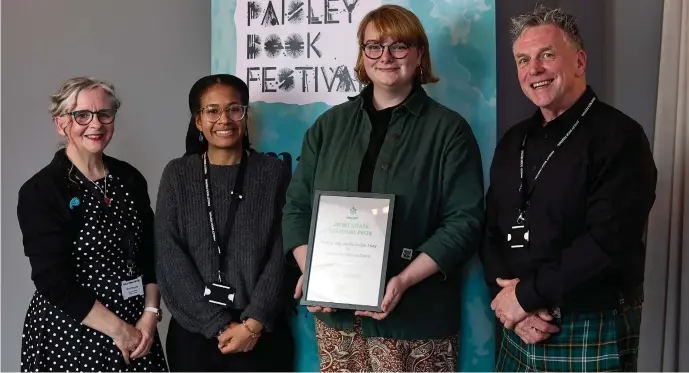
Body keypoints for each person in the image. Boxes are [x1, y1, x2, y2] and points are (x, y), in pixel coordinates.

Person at [282, 4, 485, 372]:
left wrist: (404, 280)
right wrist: (314, 273)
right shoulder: (328, 127)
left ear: (419, 53)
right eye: (374, 46)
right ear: (363, 55)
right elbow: (297, 207)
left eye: (399, 46)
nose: (386, 56)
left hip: (416, 322)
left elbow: (464, 222)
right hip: (338, 325)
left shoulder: (449, 131)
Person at [480, 5, 657, 372]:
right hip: (519, 324)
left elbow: (607, 241)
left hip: (589, 321)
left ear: (579, 61)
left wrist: (526, 296)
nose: (534, 70)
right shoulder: (514, 141)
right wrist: (507, 299)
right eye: (523, 60)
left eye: (547, 55)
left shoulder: (620, 137)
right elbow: (492, 229)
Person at [16, 77, 168, 372]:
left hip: (139, 328)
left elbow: (151, 253)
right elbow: (52, 281)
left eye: (104, 114)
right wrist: (120, 331)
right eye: (82, 115)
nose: (95, 124)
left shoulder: (129, 178)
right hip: (74, 330)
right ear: (61, 124)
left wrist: (150, 315)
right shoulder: (43, 190)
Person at [155, 74, 294, 372]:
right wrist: (216, 324)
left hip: (261, 332)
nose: (224, 119)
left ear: (245, 115)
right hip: (195, 334)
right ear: (198, 121)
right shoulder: (178, 174)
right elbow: (169, 254)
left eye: (234, 109)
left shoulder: (273, 173)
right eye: (212, 110)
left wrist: (253, 323)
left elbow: (284, 252)